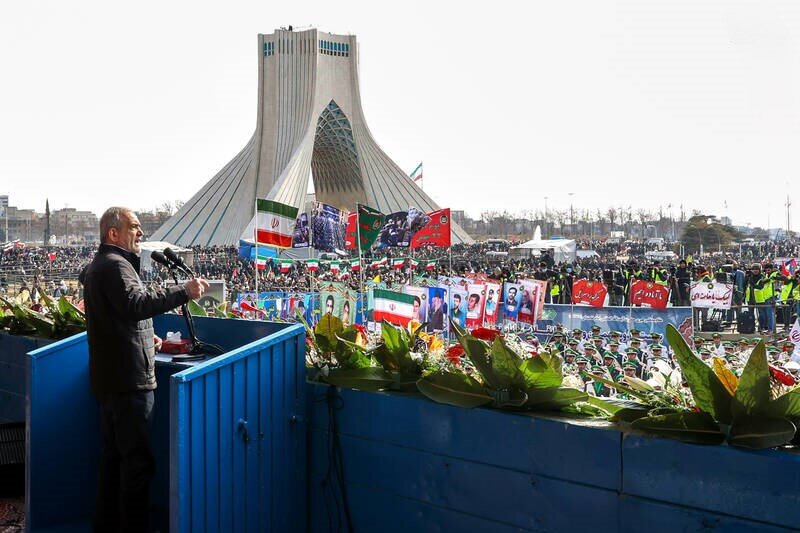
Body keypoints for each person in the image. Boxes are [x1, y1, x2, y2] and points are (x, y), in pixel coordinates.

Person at [81, 207, 209, 532]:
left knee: (113, 462)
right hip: (130, 385)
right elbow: (136, 305)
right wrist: (185, 291)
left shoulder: (104, 265)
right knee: (136, 467)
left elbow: (119, 316)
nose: (140, 233)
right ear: (114, 234)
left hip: (112, 381)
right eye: (134, 227)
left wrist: (142, 336)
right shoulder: (116, 265)